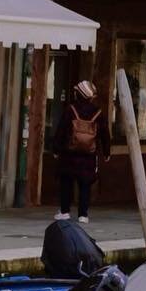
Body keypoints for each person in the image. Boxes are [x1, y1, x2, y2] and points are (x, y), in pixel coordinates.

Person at [51, 79, 110, 223]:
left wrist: (56, 149)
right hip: (88, 156)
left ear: (79, 94)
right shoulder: (98, 113)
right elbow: (104, 134)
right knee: (85, 184)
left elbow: (61, 130)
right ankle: (83, 214)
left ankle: (65, 211)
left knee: (66, 181)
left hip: (69, 154)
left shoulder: (70, 110)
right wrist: (107, 152)